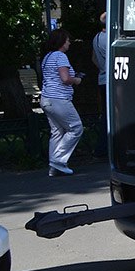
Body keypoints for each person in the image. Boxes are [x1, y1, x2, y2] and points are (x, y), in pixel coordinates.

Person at [40, 28, 84, 176]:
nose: (69, 43)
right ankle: (58, 160)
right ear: (61, 42)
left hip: (46, 99)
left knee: (57, 132)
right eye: (67, 40)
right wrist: (76, 80)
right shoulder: (60, 56)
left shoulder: (47, 57)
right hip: (59, 99)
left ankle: (54, 167)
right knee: (76, 128)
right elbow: (65, 79)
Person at [91, 12, 108, 158]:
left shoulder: (96, 38)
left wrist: (103, 68)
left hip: (101, 78)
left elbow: (94, 58)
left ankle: (101, 148)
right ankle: (104, 148)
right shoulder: (108, 39)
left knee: (105, 114)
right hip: (110, 80)